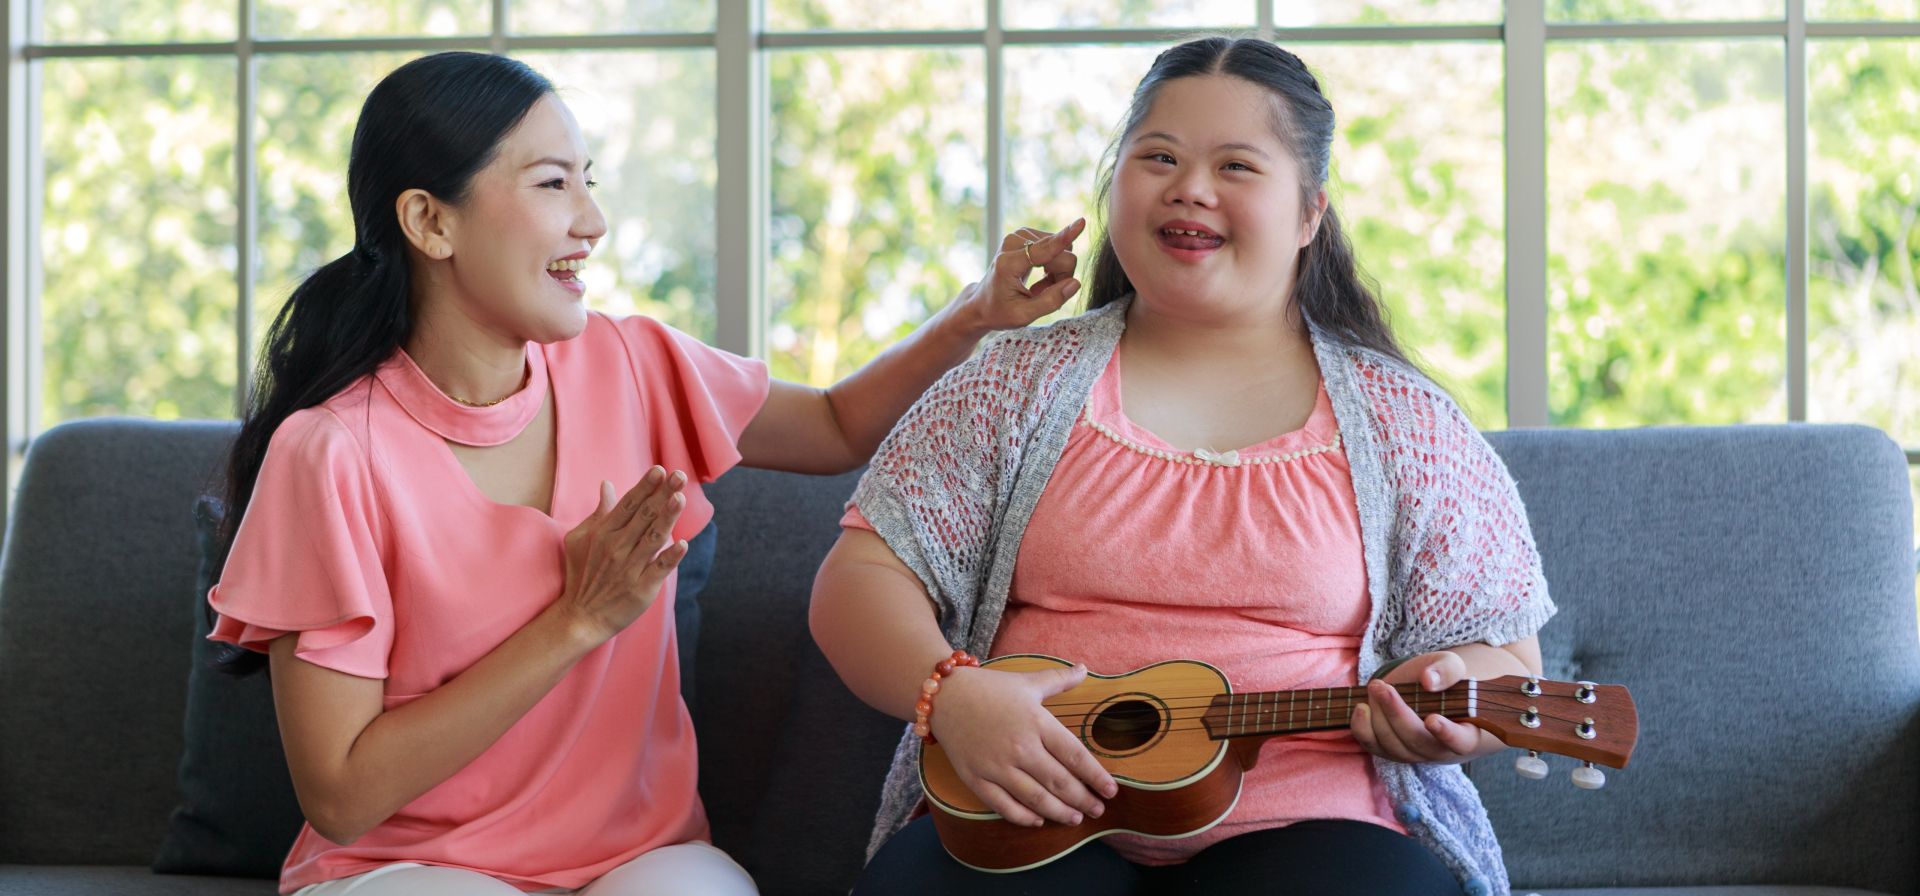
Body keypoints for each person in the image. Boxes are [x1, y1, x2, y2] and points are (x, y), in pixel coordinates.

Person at [207, 50, 1085, 896]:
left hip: (634, 859)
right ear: (430, 221)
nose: (591, 221)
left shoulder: (631, 363)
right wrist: (575, 620)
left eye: (590, 180)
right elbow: (342, 796)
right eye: (553, 183)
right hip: (404, 871)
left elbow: (834, 425)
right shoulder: (328, 452)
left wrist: (975, 314)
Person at [810, 36, 1555, 896]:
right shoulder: (1013, 385)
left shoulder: (1406, 423)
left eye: (1236, 165)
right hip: (1018, 820)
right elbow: (857, 577)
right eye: (1157, 156)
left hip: (1317, 828)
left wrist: (1453, 715)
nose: (1189, 187)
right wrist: (951, 693)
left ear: (1310, 212)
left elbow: (1507, 662)